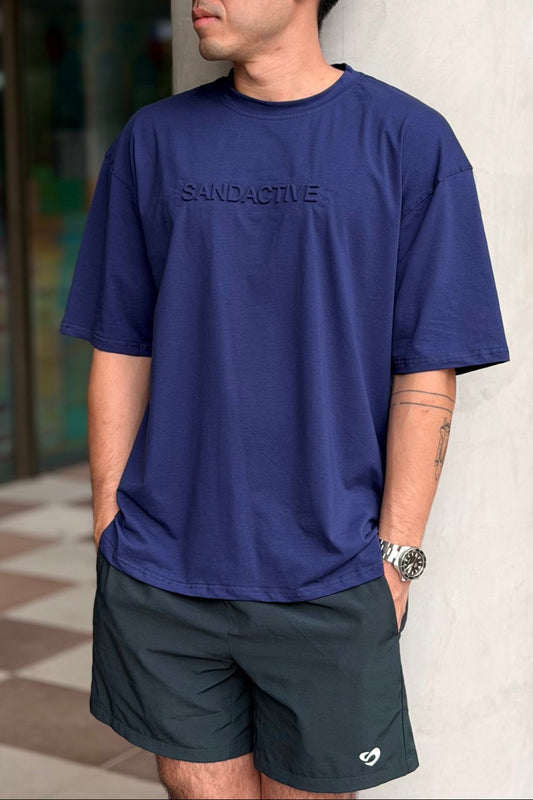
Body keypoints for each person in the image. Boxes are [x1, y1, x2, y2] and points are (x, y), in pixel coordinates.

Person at [60, 1, 510, 798]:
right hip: (165, 566)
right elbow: (121, 347)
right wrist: (110, 525)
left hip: (330, 573)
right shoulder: (153, 141)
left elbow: (425, 369)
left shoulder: (408, 141)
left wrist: (395, 559)